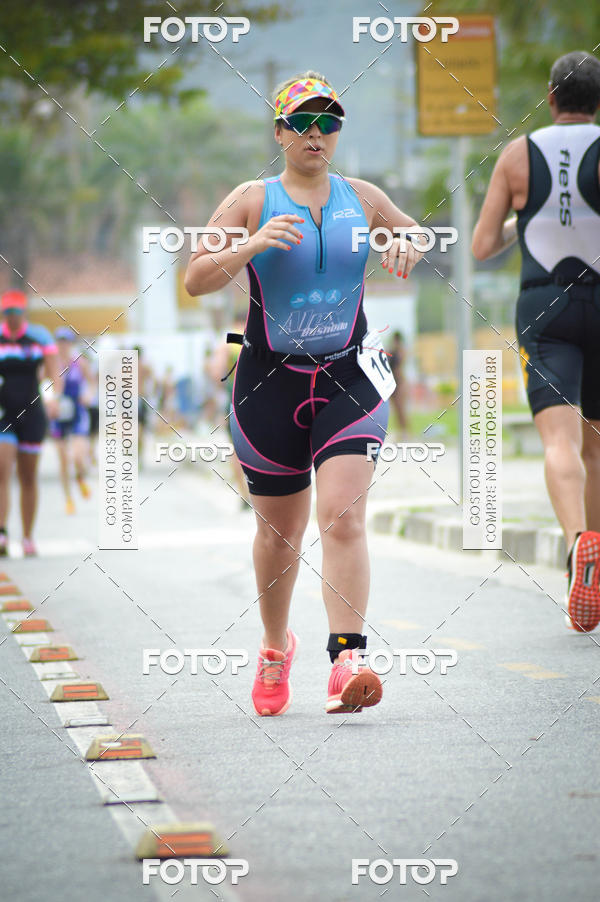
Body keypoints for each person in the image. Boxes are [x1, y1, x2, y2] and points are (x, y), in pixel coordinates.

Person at [185, 71, 424, 714]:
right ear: (281, 132)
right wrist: (254, 243)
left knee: (343, 515)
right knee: (278, 535)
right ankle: (272, 647)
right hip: (268, 381)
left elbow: (416, 232)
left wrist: (405, 240)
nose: (318, 134)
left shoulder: (362, 196)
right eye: (304, 122)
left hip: (347, 375)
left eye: (330, 122)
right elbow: (196, 279)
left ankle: (347, 659)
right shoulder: (249, 198)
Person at [472, 51, 600, 632]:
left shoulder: (519, 154)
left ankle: (578, 546)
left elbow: (481, 247)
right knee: (596, 445)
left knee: (560, 439)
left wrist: (523, 222)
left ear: (551, 98)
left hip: (545, 304)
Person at [0, 290, 62, 556]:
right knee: (2, 470)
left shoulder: (39, 337)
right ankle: (2, 532)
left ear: (23, 313)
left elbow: (53, 374)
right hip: (3, 413)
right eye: (7, 313)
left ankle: (27, 537)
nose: (12, 318)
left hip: (32, 413)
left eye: (16, 313)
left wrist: (53, 398)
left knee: (28, 477)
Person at [49, 327, 93, 515]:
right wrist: (49, 401)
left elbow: (92, 382)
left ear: (70, 344)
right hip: (59, 414)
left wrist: (88, 395)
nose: (63, 345)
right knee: (63, 459)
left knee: (77, 456)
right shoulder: (51, 364)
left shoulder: (79, 362)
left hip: (77, 411)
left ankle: (81, 477)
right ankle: (68, 499)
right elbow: (42, 384)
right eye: (59, 341)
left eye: (66, 342)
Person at [388, 330, 409, 440]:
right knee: (396, 410)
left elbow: (400, 363)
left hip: (400, 382)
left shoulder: (401, 351)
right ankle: (400, 432)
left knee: (401, 409)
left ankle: (405, 432)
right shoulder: (391, 350)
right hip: (393, 382)